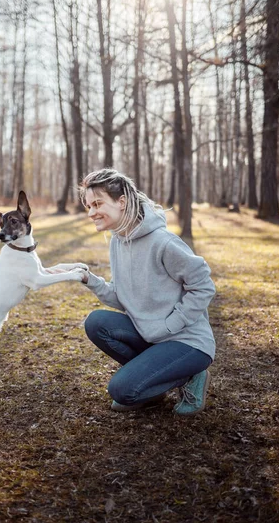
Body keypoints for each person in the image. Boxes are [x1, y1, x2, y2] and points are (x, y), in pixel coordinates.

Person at [78, 168, 216, 415]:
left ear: (121, 202)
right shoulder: (118, 241)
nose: (91, 212)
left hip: (186, 341)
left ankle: (192, 376)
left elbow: (204, 286)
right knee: (96, 322)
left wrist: (172, 324)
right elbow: (123, 298)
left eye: (97, 204)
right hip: (152, 337)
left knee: (122, 391)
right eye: (89, 206)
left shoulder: (163, 242)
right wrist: (89, 279)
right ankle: (151, 385)